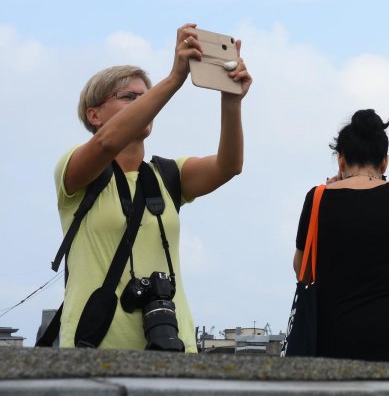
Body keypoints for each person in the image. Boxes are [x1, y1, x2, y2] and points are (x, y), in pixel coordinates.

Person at [54, 23, 251, 351]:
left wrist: (232, 101)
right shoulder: (75, 170)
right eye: (129, 97)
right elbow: (104, 146)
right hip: (95, 349)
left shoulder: (168, 175)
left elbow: (229, 166)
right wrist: (174, 80)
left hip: (173, 346)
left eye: (146, 98)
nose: (145, 104)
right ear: (94, 115)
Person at [293, 109, 389, 364]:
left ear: (341, 161)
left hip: (337, 333)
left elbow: (302, 267)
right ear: (385, 161)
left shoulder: (318, 199)